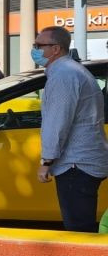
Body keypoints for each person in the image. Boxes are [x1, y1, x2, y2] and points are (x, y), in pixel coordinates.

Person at [35, 26, 108, 232]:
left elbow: (57, 123)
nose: (35, 50)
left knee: (78, 229)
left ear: (55, 48)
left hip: (75, 164)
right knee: (81, 225)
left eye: (39, 45)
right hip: (83, 160)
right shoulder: (71, 71)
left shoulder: (63, 76)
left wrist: (46, 161)